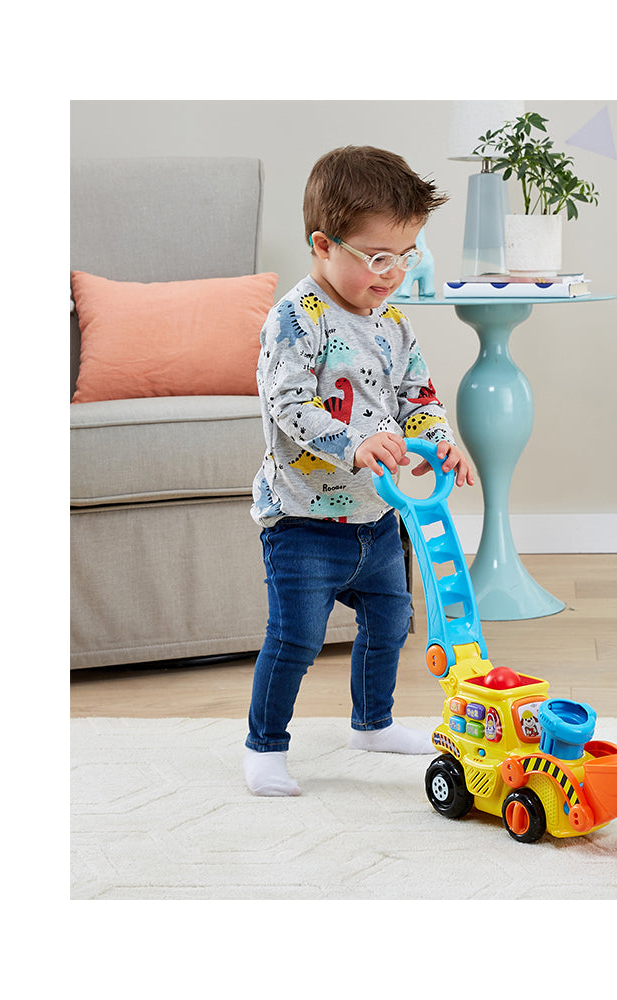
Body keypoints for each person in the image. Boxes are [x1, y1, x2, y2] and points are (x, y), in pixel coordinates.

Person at [243, 146, 474, 796]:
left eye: (407, 255)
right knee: (296, 638)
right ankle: (264, 746)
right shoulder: (297, 319)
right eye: (377, 258)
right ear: (323, 245)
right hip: (303, 522)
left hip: (377, 518)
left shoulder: (394, 323)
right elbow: (288, 403)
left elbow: (418, 397)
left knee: (392, 624)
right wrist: (355, 443)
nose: (394, 272)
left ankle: (373, 723)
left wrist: (441, 441)